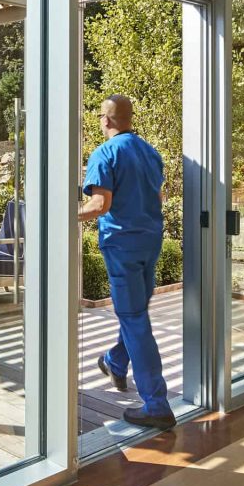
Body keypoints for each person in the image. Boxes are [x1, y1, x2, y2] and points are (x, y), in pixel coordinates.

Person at [78, 94, 174, 430]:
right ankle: (115, 362)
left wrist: (59, 216)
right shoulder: (150, 152)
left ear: (105, 119)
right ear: (130, 119)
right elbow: (158, 196)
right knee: (135, 314)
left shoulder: (104, 153)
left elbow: (99, 205)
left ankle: (156, 404)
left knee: (133, 319)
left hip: (122, 246)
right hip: (150, 242)